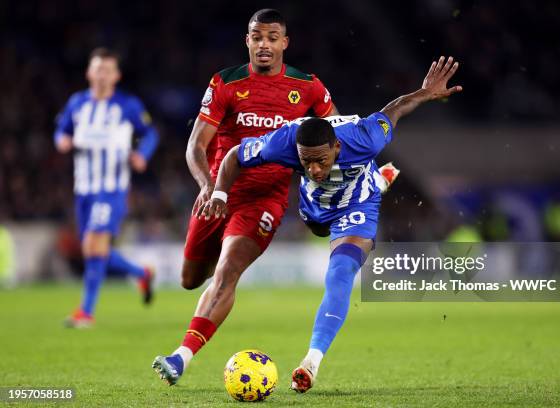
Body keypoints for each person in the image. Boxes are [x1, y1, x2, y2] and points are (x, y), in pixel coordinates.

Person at [152, 8, 399, 385]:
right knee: (190, 278)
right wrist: (209, 186)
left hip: (264, 200)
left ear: (285, 42)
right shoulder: (225, 83)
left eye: (272, 38)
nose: (264, 45)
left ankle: (181, 357)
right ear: (247, 41)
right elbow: (195, 147)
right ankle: (204, 308)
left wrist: (367, 181)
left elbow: (336, 140)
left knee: (227, 270)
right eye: (256, 37)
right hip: (220, 192)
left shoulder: (310, 87)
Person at [203, 56, 462, 393]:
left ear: (337, 147)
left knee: (340, 272)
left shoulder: (364, 138)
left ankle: (311, 361)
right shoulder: (283, 142)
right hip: (316, 209)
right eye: (305, 161)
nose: (312, 169)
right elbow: (235, 155)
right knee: (318, 229)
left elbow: (394, 109)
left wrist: (424, 93)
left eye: (320, 160)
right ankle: (380, 180)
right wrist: (220, 193)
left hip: (358, 207)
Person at [55, 48, 159, 328]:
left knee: (93, 244)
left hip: (112, 188)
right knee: (92, 248)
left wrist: (142, 155)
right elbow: (61, 130)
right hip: (84, 188)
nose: (101, 75)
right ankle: (141, 273)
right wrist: (61, 141)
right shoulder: (77, 104)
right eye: (97, 69)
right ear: (89, 72)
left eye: (107, 70)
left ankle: (86, 312)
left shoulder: (127, 105)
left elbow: (150, 133)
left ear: (116, 76)